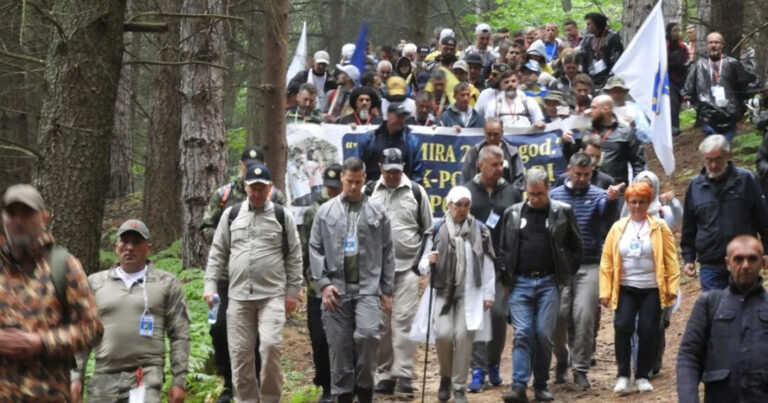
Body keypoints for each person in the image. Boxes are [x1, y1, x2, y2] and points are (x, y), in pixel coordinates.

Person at [203, 164, 303, 402]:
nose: (257, 194)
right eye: (253, 188)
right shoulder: (232, 215)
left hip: (271, 296)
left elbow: (294, 256)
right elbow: (217, 252)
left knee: (269, 348)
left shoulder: (281, 216)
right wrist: (210, 286)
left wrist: (292, 293)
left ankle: (269, 398)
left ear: (269, 188)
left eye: (261, 189)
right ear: (246, 187)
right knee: (240, 356)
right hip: (238, 298)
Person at [0, 184, 103, 400]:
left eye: (27, 213)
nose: (19, 221)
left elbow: (92, 329)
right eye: (12, 213)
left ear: (45, 218)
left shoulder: (63, 266)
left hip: (48, 394)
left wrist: (41, 342)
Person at [71, 220, 189, 403]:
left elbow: (180, 334)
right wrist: (75, 378)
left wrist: (179, 381)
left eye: (136, 242)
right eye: (124, 241)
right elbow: (81, 334)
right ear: (116, 246)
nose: (130, 247)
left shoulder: (166, 283)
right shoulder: (95, 283)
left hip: (145, 375)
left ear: (147, 247)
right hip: (104, 375)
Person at [309, 157, 395, 403]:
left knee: (368, 336)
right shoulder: (326, 212)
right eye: (349, 182)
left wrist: (387, 289)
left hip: (368, 289)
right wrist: (323, 284)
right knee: (339, 347)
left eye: (358, 182)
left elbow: (388, 251)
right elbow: (314, 249)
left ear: (364, 179)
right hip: (337, 289)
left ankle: (365, 389)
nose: (354, 188)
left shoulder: (377, 212)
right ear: (342, 179)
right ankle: (343, 395)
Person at [500, 168, 583, 403]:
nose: (534, 198)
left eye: (539, 194)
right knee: (523, 333)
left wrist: (565, 274)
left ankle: (540, 385)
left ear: (548, 189)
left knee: (543, 335)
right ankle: (518, 386)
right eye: (530, 194)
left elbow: (576, 247)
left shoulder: (562, 212)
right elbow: (504, 249)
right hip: (520, 283)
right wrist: (506, 277)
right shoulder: (512, 213)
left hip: (548, 283)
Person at [599, 182, 680, 395]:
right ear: (627, 203)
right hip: (626, 287)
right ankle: (623, 375)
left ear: (648, 203)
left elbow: (671, 259)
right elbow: (607, 261)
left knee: (648, 329)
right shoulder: (618, 228)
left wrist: (672, 285)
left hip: (652, 288)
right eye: (633, 202)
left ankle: (643, 374)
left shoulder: (659, 227)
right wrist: (605, 291)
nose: (636, 206)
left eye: (641, 202)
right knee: (623, 326)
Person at [416, 186, 496, 403]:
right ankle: (445, 376)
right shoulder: (437, 229)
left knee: (463, 337)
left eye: (466, 205)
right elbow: (422, 264)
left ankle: (459, 387)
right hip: (443, 292)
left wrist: (488, 294)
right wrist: (429, 262)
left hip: (470, 292)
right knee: (443, 333)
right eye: (457, 204)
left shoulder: (479, 230)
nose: (461, 209)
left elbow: (487, 262)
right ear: (448, 205)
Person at [550, 153, 622, 389]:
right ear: (569, 170)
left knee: (584, 317)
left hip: (589, 264)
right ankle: (562, 359)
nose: (581, 178)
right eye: (577, 174)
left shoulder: (598, 195)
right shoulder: (555, 196)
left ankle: (580, 368)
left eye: (586, 174)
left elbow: (607, 216)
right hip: (561, 268)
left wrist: (611, 199)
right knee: (559, 317)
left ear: (592, 172)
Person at [369, 149, 433, 396]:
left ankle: (404, 374)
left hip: (408, 267)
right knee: (382, 325)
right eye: (389, 171)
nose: (394, 175)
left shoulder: (416, 192)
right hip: (376, 271)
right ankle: (384, 374)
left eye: (397, 170)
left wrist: (424, 264)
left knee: (403, 321)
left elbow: (427, 230)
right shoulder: (369, 192)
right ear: (380, 167)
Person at [677, 235, 768, 402]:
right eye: (738, 259)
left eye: (752, 259)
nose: (745, 265)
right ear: (728, 263)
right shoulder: (709, 304)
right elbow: (689, 356)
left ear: (763, 263)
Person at [463, 145, 522, 392]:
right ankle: (477, 371)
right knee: (477, 318)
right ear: (480, 165)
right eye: (494, 165)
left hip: (501, 267)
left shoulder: (511, 193)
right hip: (473, 266)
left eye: (502, 165)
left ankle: (494, 363)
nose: (500, 169)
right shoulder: (466, 192)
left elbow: (518, 231)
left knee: (497, 316)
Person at [681, 135, 768, 290]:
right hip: (711, 263)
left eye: (718, 159)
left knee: (747, 309)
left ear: (727, 155)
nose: (713, 165)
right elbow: (689, 226)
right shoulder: (695, 186)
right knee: (717, 311)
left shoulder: (746, 180)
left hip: (744, 261)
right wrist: (688, 258)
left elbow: (763, 218)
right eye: (709, 160)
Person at [299, 164, 344, 403]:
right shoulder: (312, 212)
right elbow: (306, 251)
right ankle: (326, 385)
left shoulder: (352, 208)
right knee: (319, 338)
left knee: (346, 339)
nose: (333, 192)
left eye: (336, 188)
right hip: (317, 287)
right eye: (330, 188)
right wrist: (311, 281)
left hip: (346, 285)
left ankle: (346, 384)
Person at [682, 32, 760, 141]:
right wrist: (690, 100)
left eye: (717, 42)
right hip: (708, 115)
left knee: (724, 147)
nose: (713, 45)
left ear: (722, 45)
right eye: (710, 42)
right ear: (707, 45)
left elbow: (746, 82)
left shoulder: (732, 63)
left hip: (730, 113)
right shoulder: (699, 65)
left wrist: (748, 98)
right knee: (712, 148)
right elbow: (689, 87)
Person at [562, 95, 646, 186]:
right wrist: (566, 143)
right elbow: (571, 158)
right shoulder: (585, 133)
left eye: (594, 108)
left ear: (605, 109)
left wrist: (637, 187)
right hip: (588, 189)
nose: (590, 111)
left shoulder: (626, 133)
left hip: (616, 188)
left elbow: (638, 163)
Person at [357, 102, 423, 183]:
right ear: (388, 116)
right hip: (372, 189)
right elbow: (357, 165)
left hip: (401, 190)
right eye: (398, 117)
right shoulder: (370, 138)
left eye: (403, 117)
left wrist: (412, 189)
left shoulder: (412, 141)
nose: (401, 120)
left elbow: (417, 172)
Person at [462, 117, 525, 190]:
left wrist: (510, 195)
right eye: (489, 134)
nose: (492, 138)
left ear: (502, 133)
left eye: (496, 134)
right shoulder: (474, 152)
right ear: (484, 132)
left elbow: (519, 181)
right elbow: (465, 179)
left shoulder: (512, 153)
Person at [579, 12, 623, 90]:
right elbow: (583, 58)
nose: (587, 27)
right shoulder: (588, 39)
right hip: (591, 77)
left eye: (589, 24)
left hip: (608, 78)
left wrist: (610, 77)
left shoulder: (612, 37)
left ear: (597, 23)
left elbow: (616, 60)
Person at [604, 76, 653, 144]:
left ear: (625, 93)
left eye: (619, 91)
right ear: (608, 93)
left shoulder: (635, 109)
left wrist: (634, 126)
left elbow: (648, 137)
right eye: (613, 92)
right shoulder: (603, 110)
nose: (616, 95)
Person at [667, 22, 690, 137]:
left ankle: (674, 126)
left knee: (677, 103)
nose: (676, 33)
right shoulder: (664, 46)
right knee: (672, 102)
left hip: (680, 79)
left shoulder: (682, 47)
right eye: (674, 31)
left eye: (678, 30)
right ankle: (672, 128)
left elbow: (686, 60)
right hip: (667, 80)